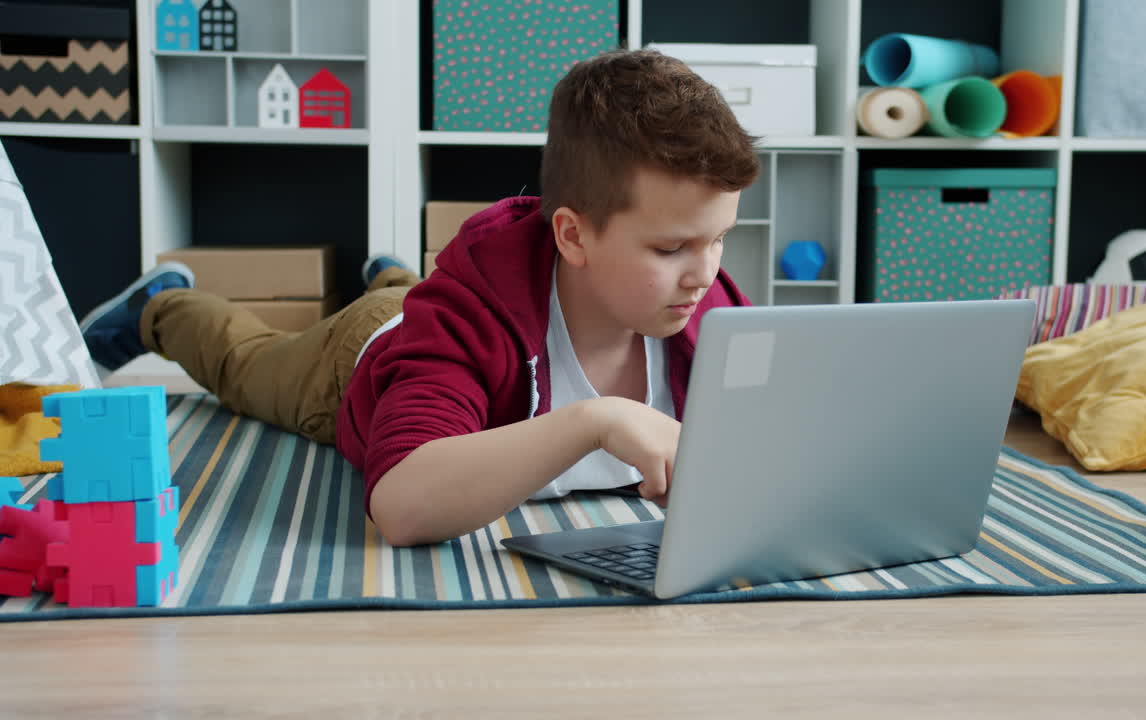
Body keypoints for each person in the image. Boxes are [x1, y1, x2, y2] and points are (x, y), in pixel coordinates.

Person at [81, 48, 760, 546]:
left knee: (418, 299)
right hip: (358, 357)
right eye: (670, 249)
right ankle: (161, 306)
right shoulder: (467, 319)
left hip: (436, 310)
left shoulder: (709, 309)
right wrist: (594, 420)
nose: (704, 273)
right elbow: (401, 508)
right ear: (573, 235)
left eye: (719, 238)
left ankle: (395, 275)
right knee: (250, 364)